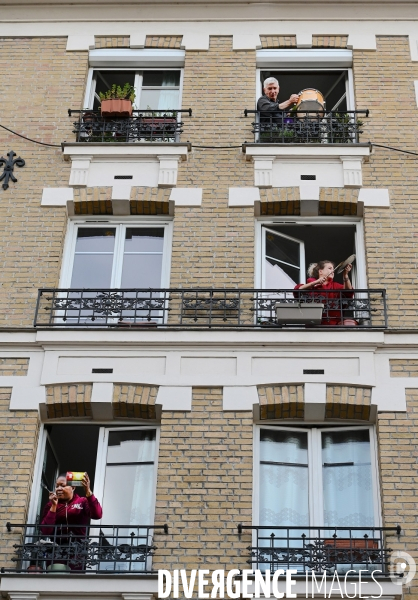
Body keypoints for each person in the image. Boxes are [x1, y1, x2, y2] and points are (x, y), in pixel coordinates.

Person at [40, 472, 103, 570]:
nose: (58, 489)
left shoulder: (82, 501)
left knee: (74, 582)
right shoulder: (50, 505)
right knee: (56, 580)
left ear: (73, 487)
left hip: (77, 552)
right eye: (57, 486)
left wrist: (88, 492)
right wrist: (53, 506)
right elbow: (46, 531)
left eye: (63, 485)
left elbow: (97, 514)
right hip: (56, 552)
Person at [294, 260, 355, 326]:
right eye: (329, 268)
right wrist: (316, 282)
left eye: (333, 268)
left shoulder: (335, 285)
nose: (333, 271)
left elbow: (348, 291)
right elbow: (297, 290)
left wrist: (345, 275)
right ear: (320, 271)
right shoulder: (311, 285)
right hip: (313, 325)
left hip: (333, 326)